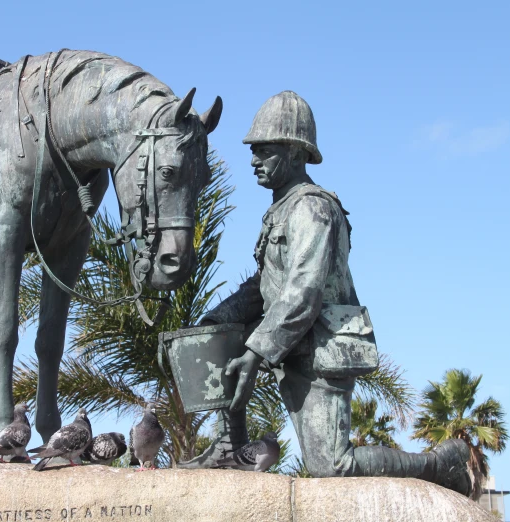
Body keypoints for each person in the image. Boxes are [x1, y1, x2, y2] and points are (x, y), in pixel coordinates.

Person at [180, 91, 472, 496]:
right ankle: (230, 445)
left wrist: (258, 350)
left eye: (265, 150)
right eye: (254, 150)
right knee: (216, 340)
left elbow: (304, 290)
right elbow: (264, 286)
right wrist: (218, 318)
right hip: (295, 347)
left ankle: (441, 465)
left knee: (331, 466)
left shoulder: (313, 209)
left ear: (297, 154)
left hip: (321, 351)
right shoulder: (281, 208)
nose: (254, 160)